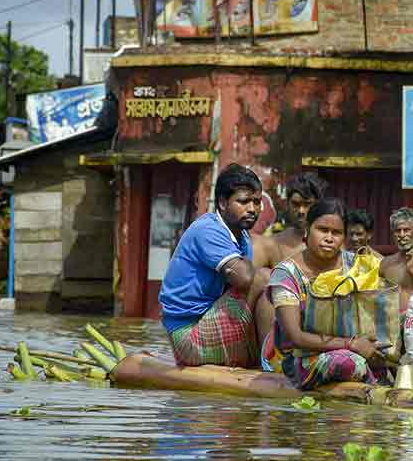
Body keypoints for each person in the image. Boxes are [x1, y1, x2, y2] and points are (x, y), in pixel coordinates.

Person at [265, 197, 386, 389]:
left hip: (359, 347)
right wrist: (351, 344)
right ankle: (377, 387)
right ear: (307, 229)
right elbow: (296, 337)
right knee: (346, 362)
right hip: (301, 359)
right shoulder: (286, 274)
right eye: (322, 230)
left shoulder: (356, 266)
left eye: (336, 233)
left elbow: (375, 313)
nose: (329, 238)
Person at [158, 163, 267, 368]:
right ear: (223, 203)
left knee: (271, 284)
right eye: (243, 201)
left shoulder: (241, 236)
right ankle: (270, 364)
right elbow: (244, 279)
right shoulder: (208, 230)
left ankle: (268, 359)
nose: (252, 209)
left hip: (208, 321)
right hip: (188, 336)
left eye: (257, 201)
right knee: (262, 278)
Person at [252, 171, 328, 270]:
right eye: (296, 204)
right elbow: (247, 279)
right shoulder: (270, 245)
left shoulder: (331, 243)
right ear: (287, 204)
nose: (301, 211)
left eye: (307, 204)